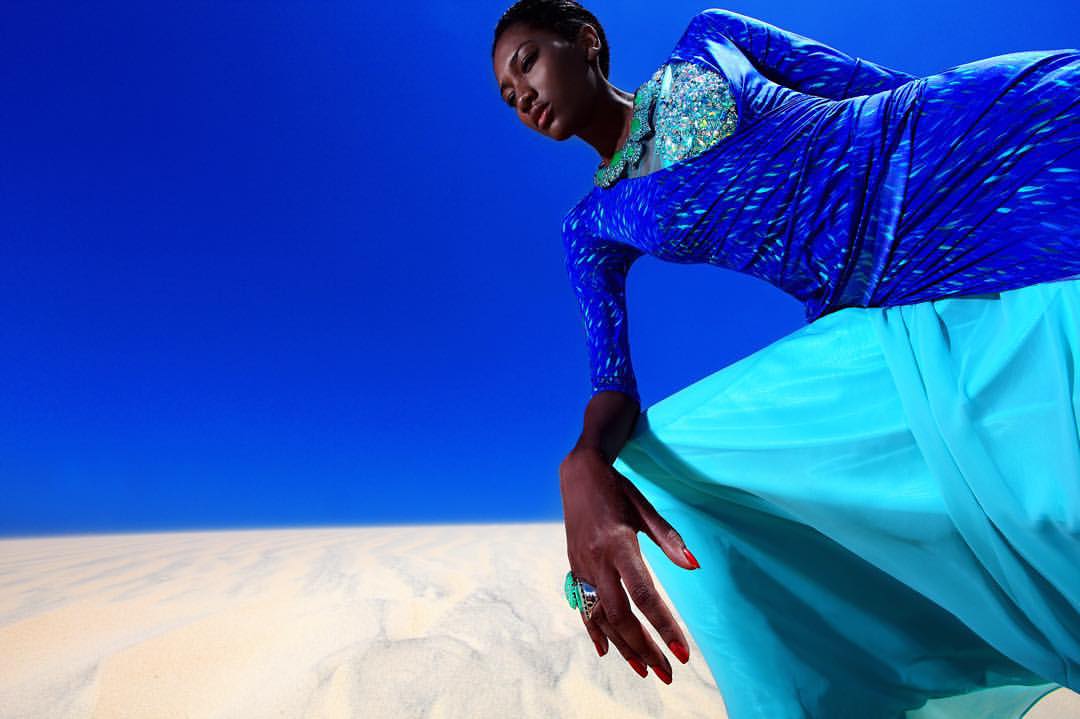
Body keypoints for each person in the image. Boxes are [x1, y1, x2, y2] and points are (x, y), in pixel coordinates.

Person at [491, 2, 1080, 717]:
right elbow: (612, 384)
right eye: (507, 95)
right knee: (664, 456)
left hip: (971, 140)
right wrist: (582, 459)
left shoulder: (712, 35)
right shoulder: (591, 227)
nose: (522, 96)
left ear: (586, 42)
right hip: (885, 278)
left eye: (526, 63)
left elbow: (875, 86)